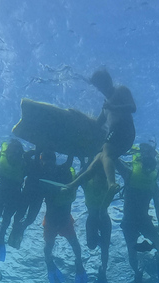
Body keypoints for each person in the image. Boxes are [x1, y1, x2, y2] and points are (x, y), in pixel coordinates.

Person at [63, 68, 136, 205]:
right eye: (98, 87)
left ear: (108, 81)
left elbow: (133, 107)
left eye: (101, 85)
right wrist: (78, 117)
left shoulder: (120, 90)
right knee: (97, 162)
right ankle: (72, 185)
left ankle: (111, 184)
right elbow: (97, 124)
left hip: (124, 129)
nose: (101, 89)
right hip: (120, 138)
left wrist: (114, 107)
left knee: (106, 151)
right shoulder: (105, 107)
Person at [118, 143, 159, 283]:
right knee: (132, 251)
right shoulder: (129, 173)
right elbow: (114, 160)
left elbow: (158, 205)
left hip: (143, 220)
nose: (147, 170)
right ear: (141, 162)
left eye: (150, 167)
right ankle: (137, 274)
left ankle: (158, 259)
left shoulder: (152, 182)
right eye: (146, 166)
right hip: (130, 221)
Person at [40, 152, 86, 283]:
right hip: (54, 220)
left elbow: (70, 165)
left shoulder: (62, 172)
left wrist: (76, 154)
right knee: (50, 246)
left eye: (48, 161)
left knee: (73, 244)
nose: (46, 165)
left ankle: (78, 262)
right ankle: (49, 262)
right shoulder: (44, 176)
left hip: (63, 220)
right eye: (44, 162)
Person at [0, 140, 27, 262]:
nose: (12, 157)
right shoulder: (22, 164)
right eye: (11, 154)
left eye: (15, 154)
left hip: (7, 194)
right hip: (11, 194)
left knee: (3, 216)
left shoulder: (22, 164)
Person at [80, 157, 111, 283]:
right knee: (91, 246)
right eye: (100, 177)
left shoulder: (108, 186)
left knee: (105, 249)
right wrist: (83, 161)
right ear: (95, 176)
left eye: (104, 178)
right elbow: (82, 176)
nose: (102, 181)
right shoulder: (87, 183)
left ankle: (103, 271)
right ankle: (98, 240)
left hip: (105, 221)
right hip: (92, 219)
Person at [8, 148, 46, 249]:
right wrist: (36, 151)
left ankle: (20, 229)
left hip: (32, 195)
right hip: (33, 195)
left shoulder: (46, 168)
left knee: (29, 217)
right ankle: (18, 229)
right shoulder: (37, 165)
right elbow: (25, 156)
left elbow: (25, 156)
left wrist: (36, 151)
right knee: (23, 215)